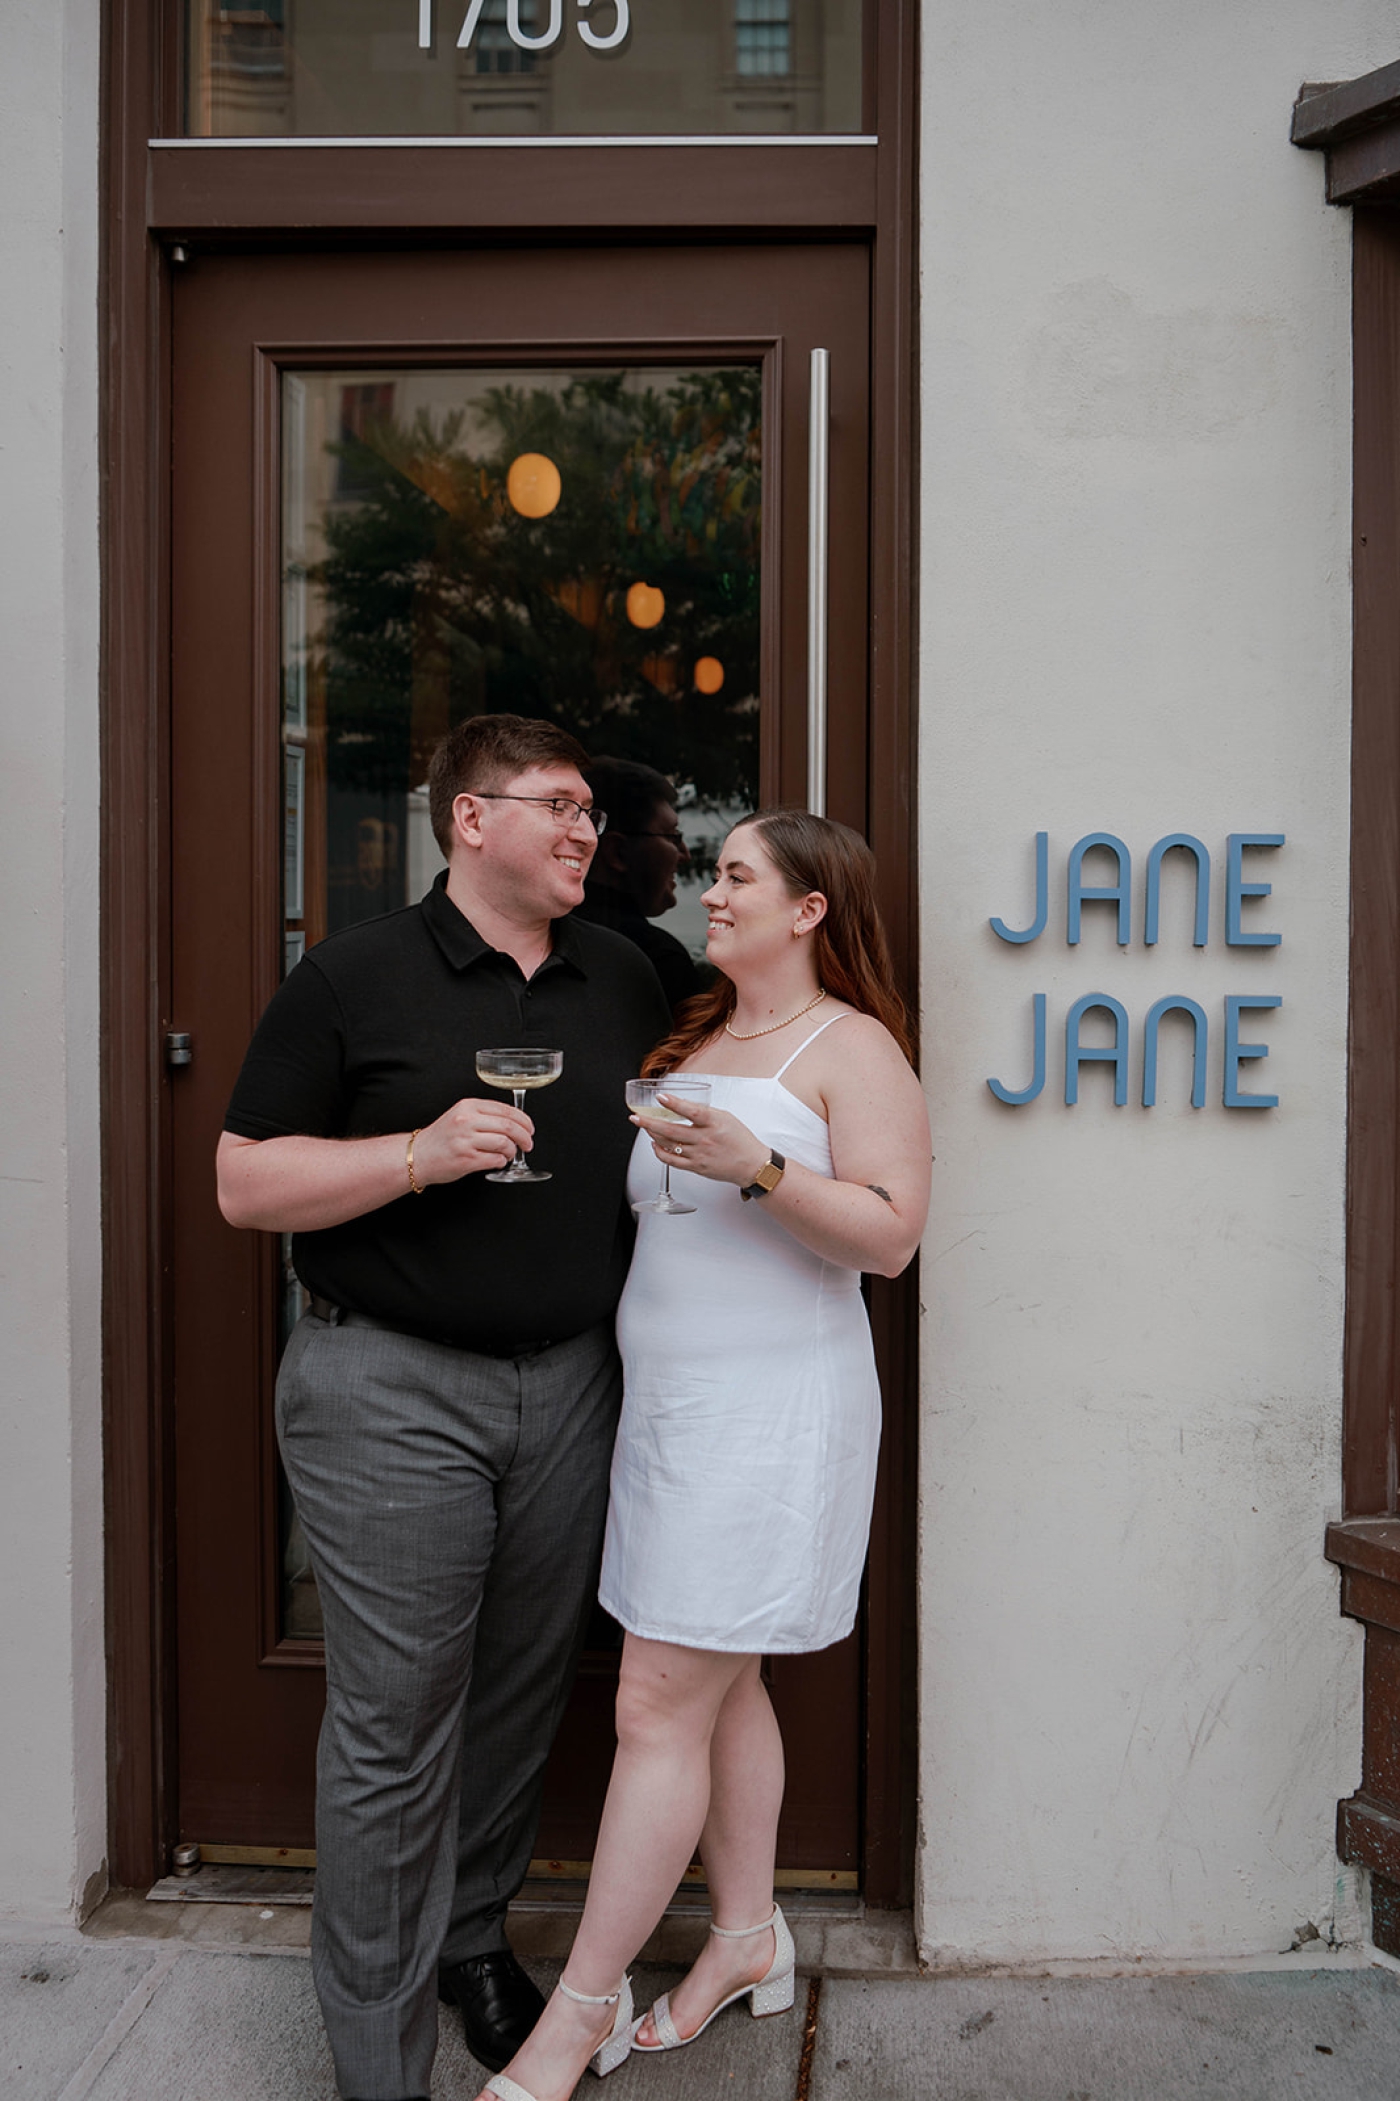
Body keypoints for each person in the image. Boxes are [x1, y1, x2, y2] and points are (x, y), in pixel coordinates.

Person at [215, 714, 670, 2101]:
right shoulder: (353, 976)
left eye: (597, 810)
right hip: (390, 1386)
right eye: (561, 806)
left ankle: (471, 1940)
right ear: (471, 820)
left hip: (575, 1380)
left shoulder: (633, 974)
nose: (591, 829)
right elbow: (245, 1185)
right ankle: (376, 2056)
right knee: (395, 1721)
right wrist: (415, 1155)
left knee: (521, 1696)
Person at [476, 808, 931, 2101]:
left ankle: (577, 2010)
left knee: (653, 1702)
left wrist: (762, 1169)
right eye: (716, 873)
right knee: (721, 1689)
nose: (710, 893)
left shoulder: (856, 1049)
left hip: (774, 1419)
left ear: (809, 910)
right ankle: (744, 1938)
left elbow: (893, 1237)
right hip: (670, 1421)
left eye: (736, 877)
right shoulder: (696, 1034)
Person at [573, 757, 703, 1012]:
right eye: (671, 836)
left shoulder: (541, 936)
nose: (685, 854)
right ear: (617, 852)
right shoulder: (655, 958)